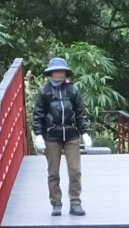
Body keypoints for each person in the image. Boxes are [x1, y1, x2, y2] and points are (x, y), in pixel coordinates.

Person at [32, 57, 92, 216]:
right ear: (51, 73)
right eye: (56, 70)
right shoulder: (44, 92)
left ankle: (75, 202)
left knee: (75, 170)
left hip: (71, 135)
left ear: (65, 72)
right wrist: (38, 134)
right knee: (53, 172)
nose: (58, 73)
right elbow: (38, 115)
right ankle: (56, 203)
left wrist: (84, 132)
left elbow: (80, 113)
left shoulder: (73, 90)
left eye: (61, 70)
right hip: (52, 136)